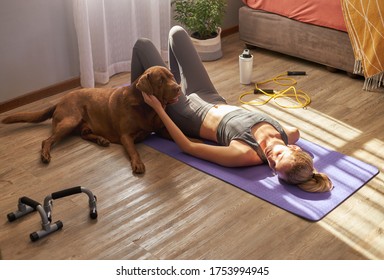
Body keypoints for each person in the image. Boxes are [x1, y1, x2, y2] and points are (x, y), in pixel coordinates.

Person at [132, 26, 333, 193]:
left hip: (188, 114)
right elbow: (301, 148)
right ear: (294, 148)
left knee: (143, 45)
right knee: (177, 33)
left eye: (273, 166)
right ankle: (169, 87)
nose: (271, 158)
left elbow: (188, 147)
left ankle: (129, 104)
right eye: (279, 156)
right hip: (211, 96)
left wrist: (159, 109)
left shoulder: (245, 154)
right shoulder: (291, 134)